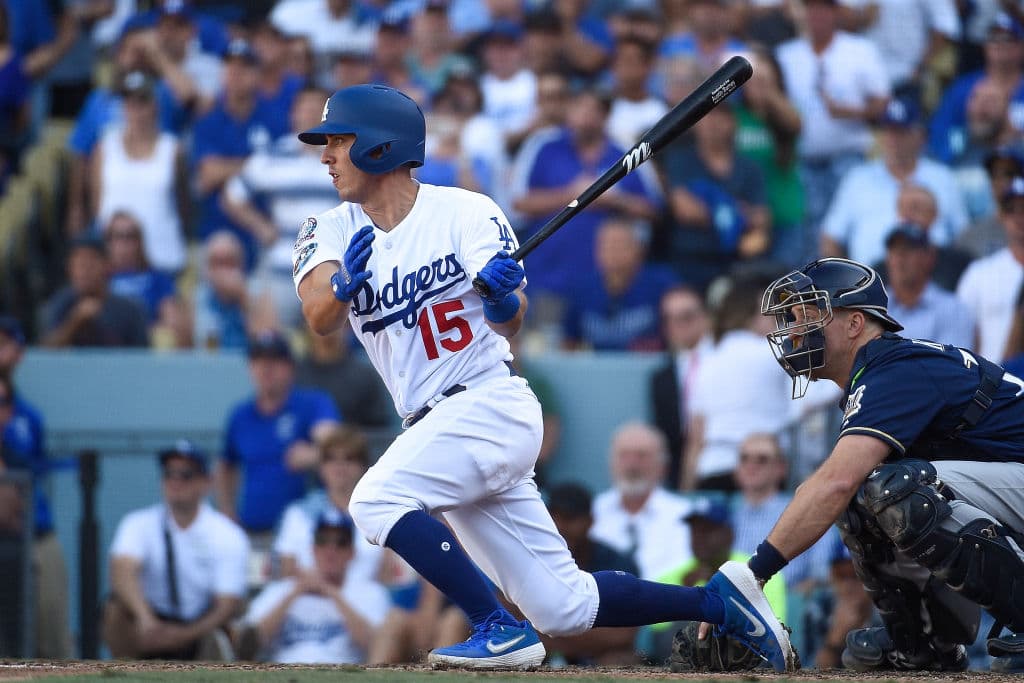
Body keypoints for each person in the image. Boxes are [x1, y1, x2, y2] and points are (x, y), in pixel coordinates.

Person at [292, 84, 797, 671]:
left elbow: (511, 322)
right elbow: (318, 317)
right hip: (437, 426)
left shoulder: (465, 211)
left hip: (487, 404)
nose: (326, 155)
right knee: (562, 607)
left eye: (338, 141)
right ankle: (722, 603)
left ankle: (495, 626)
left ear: (380, 146)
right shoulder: (328, 228)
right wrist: (340, 288)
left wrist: (502, 296)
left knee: (376, 499)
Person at [750, 256, 1024, 671]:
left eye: (808, 315)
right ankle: (922, 642)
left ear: (855, 323)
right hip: (1012, 484)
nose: (794, 330)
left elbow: (834, 482)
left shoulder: (895, 369)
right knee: (865, 500)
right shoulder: (877, 373)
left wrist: (755, 573)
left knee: (895, 489)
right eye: (792, 317)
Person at [103, 441, 250, 660]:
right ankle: (126, 673)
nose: (175, 482)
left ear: (206, 483)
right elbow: (121, 570)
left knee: (232, 624)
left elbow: (227, 604)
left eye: (186, 475)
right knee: (114, 611)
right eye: (169, 474)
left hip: (199, 624)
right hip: (150, 622)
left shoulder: (227, 534)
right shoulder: (138, 523)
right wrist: (146, 619)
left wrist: (182, 636)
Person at [215, 330, 340, 540]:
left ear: (290, 367)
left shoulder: (312, 404)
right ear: (250, 367)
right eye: (258, 361)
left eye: (275, 361)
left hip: (307, 534)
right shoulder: (241, 415)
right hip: (251, 530)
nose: (266, 369)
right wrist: (227, 510)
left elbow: (337, 446)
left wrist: (314, 456)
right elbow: (226, 464)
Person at [0, 320, 71, 659]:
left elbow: (32, 475)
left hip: (34, 535)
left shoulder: (28, 416)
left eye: (4, 344)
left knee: (51, 639)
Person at [239, 510, 393, 664]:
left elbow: (375, 645)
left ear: (352, 552)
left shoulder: (370, 593)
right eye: (322, 541)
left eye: (341, 543)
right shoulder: (282, 589)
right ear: (313, 548)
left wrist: (331, 592)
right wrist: (296, 591)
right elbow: (249, 643)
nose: (331, 551)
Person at [273, 425, 383, 582]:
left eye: (349, 458)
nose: (340, 466)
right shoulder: (297, 513)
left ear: (363, 466)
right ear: (321, 466)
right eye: (331, 458)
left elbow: (386, 577)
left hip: (365, 602)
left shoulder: (381, 513)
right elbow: (286, 572)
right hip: (310, 599)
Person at [589, 422, 693, 580]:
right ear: (611, 463)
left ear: (663, 466)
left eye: (642, 456)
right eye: (624, 455)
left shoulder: (685, 514)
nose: (632, 465)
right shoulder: (593, 511)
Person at [561, 216, 680, 352]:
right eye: (605, 245)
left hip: (649, 367)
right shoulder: (581, 289)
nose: (612, 251)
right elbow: (569, 343)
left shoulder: (662, 284)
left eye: (619, 244)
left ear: (639, 248)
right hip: (596, 370)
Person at [649, 286, 712, 489]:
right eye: (670, 319)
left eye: (687, 317)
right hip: (679, 471)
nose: (678, 325)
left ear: (706, 317)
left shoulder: (725, 360)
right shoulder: (661, 377)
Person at [957, 176, 1024, 362]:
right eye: (1011, 210)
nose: (1019, 218)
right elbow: (964, 341)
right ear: (1002, 216)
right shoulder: (979, 273)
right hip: (996, 385)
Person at [41, 235, 150, 348]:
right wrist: (75, 322)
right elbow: (46, 350)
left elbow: (142, 356)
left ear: (107, 265)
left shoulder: (130, 310)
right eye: (77, 265)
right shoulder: (59, 304)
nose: (83, 272)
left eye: (89, 264)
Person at [882, 222, 975, 349]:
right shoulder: (874, 307)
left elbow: (951, 365)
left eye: (908, 249)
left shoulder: (953, 309)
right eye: (894, 249)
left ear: (929, 257)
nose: (900, 256)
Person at [293, 326, 392, 430]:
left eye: (335, 321)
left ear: (348, 328)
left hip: (354, 442)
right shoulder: (295, 374)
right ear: (307, 327)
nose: (328, 328)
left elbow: (379, 429)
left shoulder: (364, 375)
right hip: (304, 443)